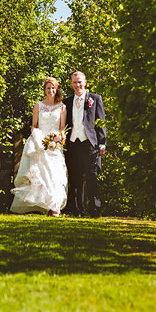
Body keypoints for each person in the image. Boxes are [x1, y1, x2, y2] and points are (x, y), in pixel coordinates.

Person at [10, 77, 68, 216]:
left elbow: (62, 128)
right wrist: (38, 140)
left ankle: (54, 206)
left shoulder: (62, 107)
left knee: (55, 175)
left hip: (55, 144)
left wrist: (58, 139)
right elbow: (34, 126)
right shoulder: (38, 106)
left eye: (53, 88)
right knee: (40, 174)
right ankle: (41, 205)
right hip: (39, 143)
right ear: (44, 90)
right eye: (48, 88)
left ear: (57, 89)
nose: (51, 90)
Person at [64, 71, 106, 218]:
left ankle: (94, 209)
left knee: (91, 177)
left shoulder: (95, 99)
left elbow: (100, 122)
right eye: (75, 82)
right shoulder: (67, 102)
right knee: (75, 178)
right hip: (73, 143)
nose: (77, 85)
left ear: (85, 82)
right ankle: (77, 210)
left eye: (80, 82)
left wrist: (102, 143)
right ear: (71, 84)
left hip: (90, 143)